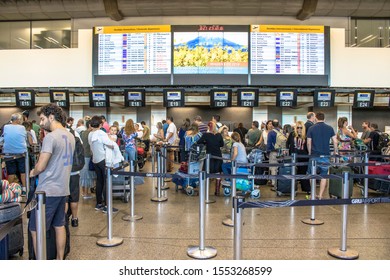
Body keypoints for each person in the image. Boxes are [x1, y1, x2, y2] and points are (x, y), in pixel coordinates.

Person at [29, 104, 75, 260]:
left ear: (51, 117)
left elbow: (41, 166)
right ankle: (60, 259)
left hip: (47, 191)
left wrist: (33, 172)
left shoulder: (51, 137)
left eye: (42, 119)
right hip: (63, 189)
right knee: (59, 225)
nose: (41, 123)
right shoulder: (70, 136)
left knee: (36, 229)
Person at [307, 111, 338, 200]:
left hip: (314, 155)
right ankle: (320, 195)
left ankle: (313, 194)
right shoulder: (330, 128)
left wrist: (309, 152)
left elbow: (309, 143)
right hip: (325, 156)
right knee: (324, 176)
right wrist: (335, 151)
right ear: (324, 119)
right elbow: (335, 141)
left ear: (316, 118)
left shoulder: (311, 128)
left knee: (311, 175)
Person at [88, 115, 116, 212]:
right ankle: (107, 206)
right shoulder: (100, 133)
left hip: (95, 159)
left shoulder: (90, 134)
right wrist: (112, 139)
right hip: (103, 160)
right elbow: (110, 143)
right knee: (106, 182)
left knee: (99, 181)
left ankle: (99, 203)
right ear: (100, 124)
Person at [195, 121, 224, 194]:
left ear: (208, 127)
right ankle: (217, 191)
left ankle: (203, 190)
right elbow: (222, 144)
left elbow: (198, 142)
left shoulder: (206, 135)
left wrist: (205, 142)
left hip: (209, 157)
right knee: (217, 173)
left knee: (206, 172)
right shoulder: (219, 135)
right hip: (218, 156)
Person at [2, 113, 27, 190]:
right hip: (21, 152)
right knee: (22, 171)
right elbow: (24, 138)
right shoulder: (22, 127)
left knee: (11, 172)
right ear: (17, 120)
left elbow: (2, 138)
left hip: (8, 153)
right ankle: (25, 189)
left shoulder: (5, 127)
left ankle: (8, 190)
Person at [286, 120, 310, 193]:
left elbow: (309, 145)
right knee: (293, 173)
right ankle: (292, 189)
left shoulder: (306, 135)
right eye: (298, 127)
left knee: (304, 174)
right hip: (294, 157)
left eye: (301, 127)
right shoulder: (292, 134)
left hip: (304, 157)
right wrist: (287, 151)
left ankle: (307, 189)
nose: (299, 129)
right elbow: (287, 143)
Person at [79, 119, 95, 199]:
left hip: (82, 156)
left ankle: (83, 192)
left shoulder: (82, 133)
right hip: (88, 156)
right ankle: (86, 193)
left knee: (83, 175)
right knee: (87, 175)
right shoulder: (91, 133)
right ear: (90, 126)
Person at [266, 119, 284, 187]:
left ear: (272, 125)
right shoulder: (283, 132)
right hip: (281, 152)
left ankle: (274, 183)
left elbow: (269, 144)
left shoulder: (271, 133)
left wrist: (268, 152)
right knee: (280, 168)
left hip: (273, 152)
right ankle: (281, 182)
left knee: (273, 168)